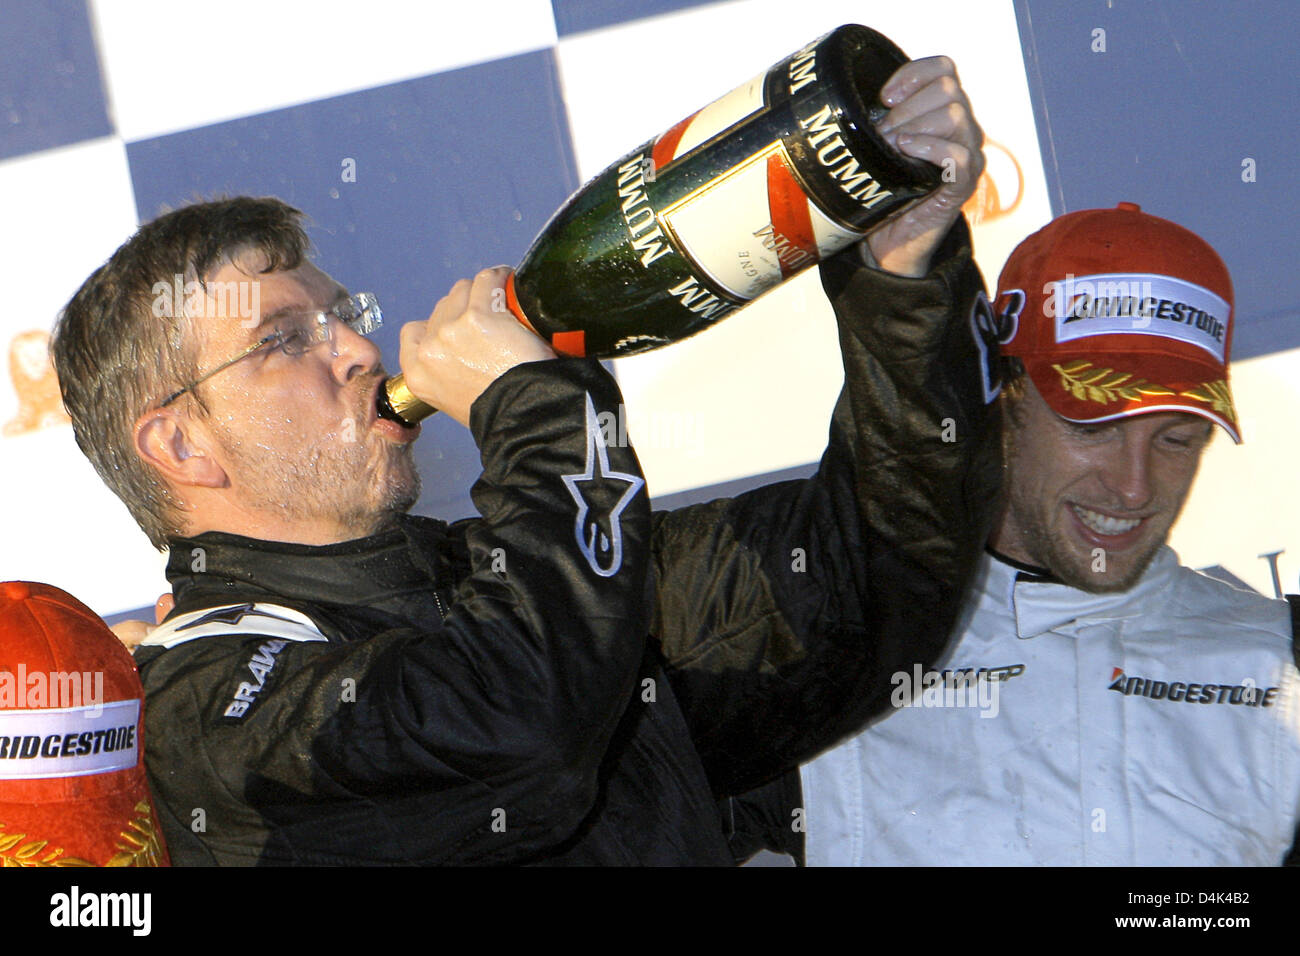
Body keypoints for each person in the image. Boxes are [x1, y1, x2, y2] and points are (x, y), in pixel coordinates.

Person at [52, 58, 1000, 865]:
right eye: (283, 339)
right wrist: (537, 412)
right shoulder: (197, 703)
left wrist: (899, 276)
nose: (356, 352)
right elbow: (521, 737)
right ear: (181, 443)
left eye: (344, 315)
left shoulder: (496, 570)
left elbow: (878, 573)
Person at [743, 202, 1300, 866]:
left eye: (1177, 439)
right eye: (1093, 428)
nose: (1134, 487)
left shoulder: (1279, 658)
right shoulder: (840, 654)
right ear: (1005, 401)